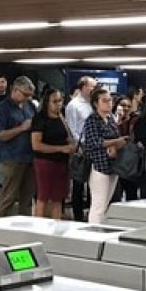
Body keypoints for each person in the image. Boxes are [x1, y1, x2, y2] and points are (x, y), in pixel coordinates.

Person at [0, 76, 37, 217]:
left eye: (30, 95)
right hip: (12, 159)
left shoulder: (30, 106)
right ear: (15, 90)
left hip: (29, 157)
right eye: (25, 94)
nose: (28, 98)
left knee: (27, 198)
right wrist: (21, 128)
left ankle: (24, 227)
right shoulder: (2, 109)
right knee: (8, 197)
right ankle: (0, 227)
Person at [81, 88, 127, 222]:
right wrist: (115, 142)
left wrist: (118, 143)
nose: (109, 103)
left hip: (113, 165)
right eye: (105, 100)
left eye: (110, 100)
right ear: (96, 103)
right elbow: (94, 142)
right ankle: (93, 232)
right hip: (98, 166)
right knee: (98, 205)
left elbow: (117, 137)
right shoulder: (92, 120)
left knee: (106, 203)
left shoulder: (111, 118)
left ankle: (100, 228)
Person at [31, 88, 74, 220]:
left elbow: (67, 136)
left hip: (62, 162)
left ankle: (57, 224)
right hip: (45, 162)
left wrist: (73, 145)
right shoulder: (40, 119)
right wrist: (61, 148)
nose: (58, 104)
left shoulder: (61, 117)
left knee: (58, 197)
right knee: (43, 196)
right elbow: (36, 145)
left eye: (60, 100)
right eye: (55, 101)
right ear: (47, 102)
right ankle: (39, 225)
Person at [65, 76, 96, 221]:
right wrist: (78, 146)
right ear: (83, 87)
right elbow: (71, 127)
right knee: (79, 182)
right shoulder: (74, 105)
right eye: (92, 87)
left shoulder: (94, 104)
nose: (95, 90)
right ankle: (77, 215)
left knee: (93, 183)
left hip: (94, 146)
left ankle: (91, 213)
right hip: (81, 147)